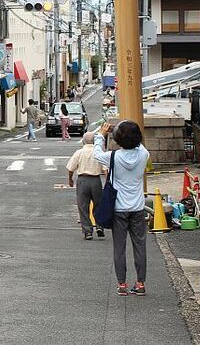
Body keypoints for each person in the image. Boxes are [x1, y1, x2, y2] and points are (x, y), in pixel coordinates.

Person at [92, 120, 151, 297]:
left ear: (117, 139)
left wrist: (100, 135)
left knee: (119, 247)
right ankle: (140, 283)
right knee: (140, 245)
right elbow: (138, 144)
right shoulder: (143, 154)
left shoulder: (113, 157)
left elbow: (96, 153)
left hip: (118, 208)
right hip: (138, 208)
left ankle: (122, 284)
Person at [66, 132, 106, 240]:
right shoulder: (98, 152)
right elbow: (105, 168)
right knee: (98, 205)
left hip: (83, 180)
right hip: (96, 180)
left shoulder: (79, 152)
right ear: (94, 141)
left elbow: (70, 168)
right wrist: (108, 181)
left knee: (83, 207)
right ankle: (99, 226)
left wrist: (70, 179)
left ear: (83, 141)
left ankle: (88, 231)